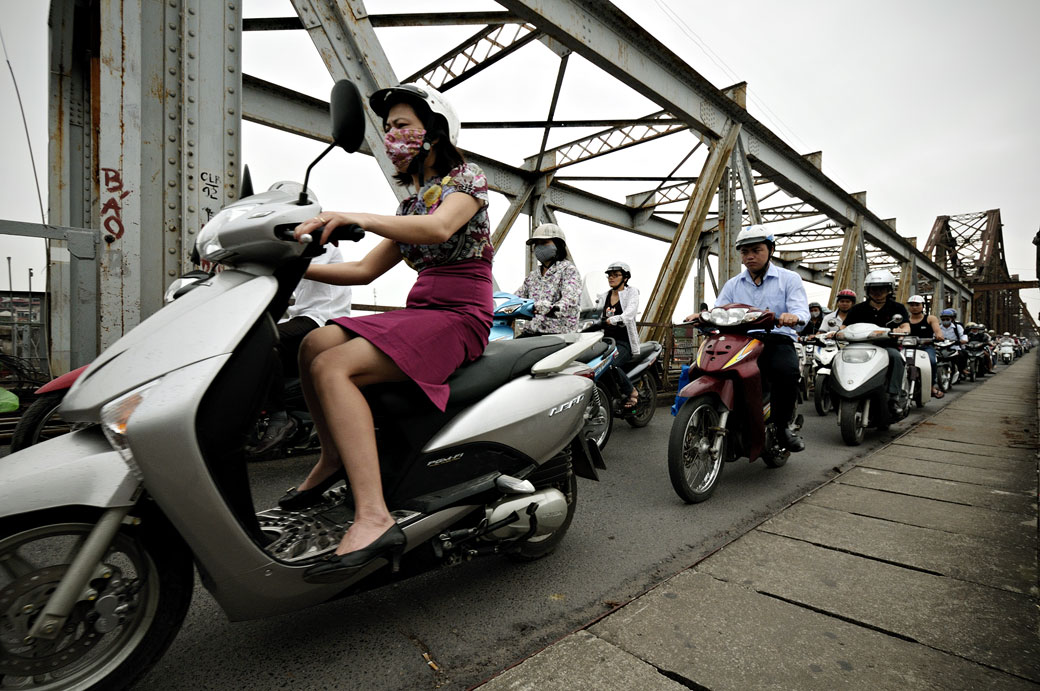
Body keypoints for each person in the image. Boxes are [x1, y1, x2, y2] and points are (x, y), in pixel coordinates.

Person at [285, 82, 493, 579]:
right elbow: (360, 274)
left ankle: (375, 516)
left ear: (434, 133)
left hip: (460, 313)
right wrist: (286, 267)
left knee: (334, 367)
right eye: (388, 128)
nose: (391, 136)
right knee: (314, 341)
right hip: (422, 309)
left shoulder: (468, 181)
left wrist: (355, 215)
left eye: (401, 125)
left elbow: (440, 231)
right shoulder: (408, 207)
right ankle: (333, 457)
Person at [686, 224, 809, 451]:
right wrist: (704, 316)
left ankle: (782, 427)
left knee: (786, 371)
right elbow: (719, 310)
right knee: (703, 367)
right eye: (745, 252)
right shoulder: (733, 284)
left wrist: (793, 317)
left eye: (756, 250)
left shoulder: (789, 279)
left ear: (770, 249)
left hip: (775, 338)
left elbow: (802, 312)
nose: (750, 256)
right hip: (739, 339)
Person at [249, 245, 353, 455]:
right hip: (301, 316)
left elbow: (295, 269)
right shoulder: (294, 253)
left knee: (263, 338)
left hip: (322, 317)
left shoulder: (322, 245)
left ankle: (279, 418)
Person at [840, 270, 910, 417]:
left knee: (896, 357)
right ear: (868, 290)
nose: (877, 292)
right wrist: (837, 333)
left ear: (889, 289)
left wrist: (901, 330)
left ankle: (893, 397)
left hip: (886, 346)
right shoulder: (858, 308)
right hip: (858, 346)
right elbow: (844, 327)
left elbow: (905, 326)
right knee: (838, 357)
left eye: (882, 288)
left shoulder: (897, 308)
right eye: (873, 288)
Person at [515, 223, 581, 335]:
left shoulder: (568, 270)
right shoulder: (533, 276)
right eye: (537, 244)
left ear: (558, 245)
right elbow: (518, 297)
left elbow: (570, 299)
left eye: (544, 243)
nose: (539, 247)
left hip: (557, 335)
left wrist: (552, 308)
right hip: (531, 332)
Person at [593, 261, 641, 408]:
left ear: (625, 278)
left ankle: (632, 391)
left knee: (609, 365)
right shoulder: (603, 296)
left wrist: (612, 320)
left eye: (615, 275)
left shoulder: (631, 292)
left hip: (623, 342)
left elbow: (629, 314)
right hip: (605, 341)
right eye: (609, 275)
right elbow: (593, 313)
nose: (611, 278)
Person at [905, 294, 944, 398]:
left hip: (925, 347)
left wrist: (939, 336)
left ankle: (931, 387)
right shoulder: (905, 320)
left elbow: (938, 331)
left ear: (922, 306)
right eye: (911, 305)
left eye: (917, 304)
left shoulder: (930, 318)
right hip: (908, 347)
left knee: (931, 361)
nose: (914, 307)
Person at [938, 308, 968, 376]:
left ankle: (962, 370)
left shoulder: (958, 327)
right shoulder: (938, 327)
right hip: (941, 348)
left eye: (947, 319)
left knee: (963, 354)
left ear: (952, 319)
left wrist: (962, 341)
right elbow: (934, 335)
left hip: (954, 347)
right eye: (943, 319)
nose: (945, 321)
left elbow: (963, 336)